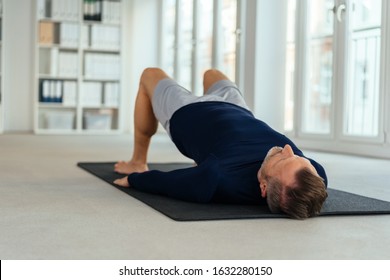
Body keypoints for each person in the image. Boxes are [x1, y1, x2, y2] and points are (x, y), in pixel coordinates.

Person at [113, 67, 328, 219]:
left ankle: (137, 160)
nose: (289, 149)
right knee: (212, 74)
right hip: (237, 108)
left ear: (263, 187)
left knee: (149, 74)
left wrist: (136, 180)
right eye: (300, 158)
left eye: (283, 160)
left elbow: (174, 182)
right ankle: (203, 157)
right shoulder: (314, 175)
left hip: (188, 112)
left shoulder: (218, 176)